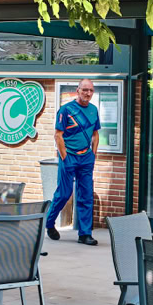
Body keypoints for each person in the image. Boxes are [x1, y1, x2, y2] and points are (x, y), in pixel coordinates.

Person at [44, 78, 101, 246]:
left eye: (91, 90)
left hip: (86, 158)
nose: (88, 93)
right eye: (85, 90)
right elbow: (58, 135)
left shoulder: (93, 110)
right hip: (69, 156)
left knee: (86, 195)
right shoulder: (66, 110)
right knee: (64, 193)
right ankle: (49, 223)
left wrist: (93, 155)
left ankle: (85, 234)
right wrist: (65, 157)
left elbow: (95, 134)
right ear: (78, 91)